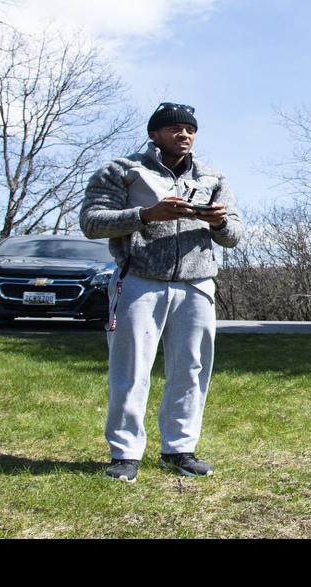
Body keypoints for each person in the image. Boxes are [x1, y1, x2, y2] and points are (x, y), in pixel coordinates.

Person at [79, 102, 241, 483]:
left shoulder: (212, 176)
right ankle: (125, 454)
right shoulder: (122, 170)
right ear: (154, 133)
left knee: (191, 369)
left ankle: (180, 449)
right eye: (174, 128)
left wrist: (218, 222)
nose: (183, 134)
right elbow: (91, 222)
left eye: (190, 129)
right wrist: (147, 215)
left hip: (198, 283)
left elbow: (234, 235)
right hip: (139, 280)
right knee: (131, 370)